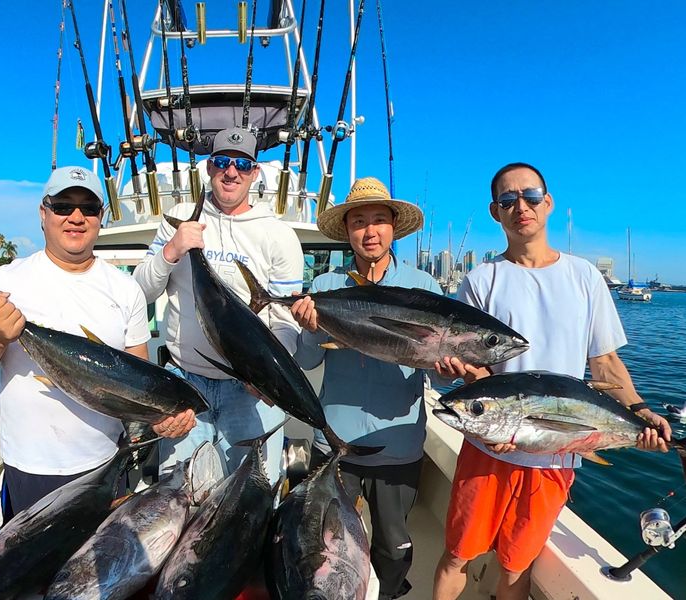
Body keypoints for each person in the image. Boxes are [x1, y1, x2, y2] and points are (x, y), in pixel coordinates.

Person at [432, 162, 671, 600]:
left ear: (549, 202)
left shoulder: (584, 277)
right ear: (494, 212)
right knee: (456, 554)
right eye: (507, 200)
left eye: (530, 195)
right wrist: (495, 422)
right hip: (488, 447)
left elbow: (605, 363)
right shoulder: (482, 280)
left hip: (557, 454)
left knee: (515, 565)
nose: (520, 206)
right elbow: (476, 368)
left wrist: (639, 412)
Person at [0, 166, 196, 515]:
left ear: (101, 217)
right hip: (31, 467)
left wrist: (162, 417)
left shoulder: (125, 288)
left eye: (88, 208)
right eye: (63, 206)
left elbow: (141, 381)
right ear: (44, 213)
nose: (76, 217)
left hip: (106, 465)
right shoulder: (9, 282)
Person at [291, 177, 442, 600]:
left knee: (393, 548)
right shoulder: (324, 288)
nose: (370, 231)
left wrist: (450, 366)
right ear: (348, 231)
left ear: (394, 228)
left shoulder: (423, 289)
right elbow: (307, 361)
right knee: (330, 548)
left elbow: (441, 369)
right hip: (336, 443)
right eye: (359, 222)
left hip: (398, 446)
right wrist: (307, 329)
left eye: (379, 220)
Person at [133, 127, 304, 483]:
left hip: (248, 390)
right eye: (222, 162)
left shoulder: (279, 235)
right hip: (185, 385)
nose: (232, 172)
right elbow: (139, 294)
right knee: (181, 495)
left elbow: (285, 319)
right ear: (209, 167)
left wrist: (267, 376)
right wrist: (172, 250)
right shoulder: (179, 218)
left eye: (242, 164)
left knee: (253, 494)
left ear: (255, 172)